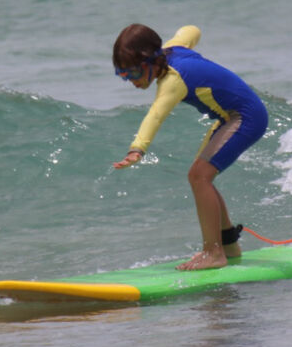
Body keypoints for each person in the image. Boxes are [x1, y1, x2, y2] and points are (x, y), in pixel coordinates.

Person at [111, 24, 269, 271]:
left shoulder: (172, 80)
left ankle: (213, 253)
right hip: (229, 118)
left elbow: (155, 115)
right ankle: (228, 246)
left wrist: (137, 149)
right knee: (200, 176)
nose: (130, 81)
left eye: (132, 73)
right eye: (122, 75)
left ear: (150, 61)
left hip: (246, 118)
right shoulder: (171, 50)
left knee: (199, 177)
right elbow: (191, 31)